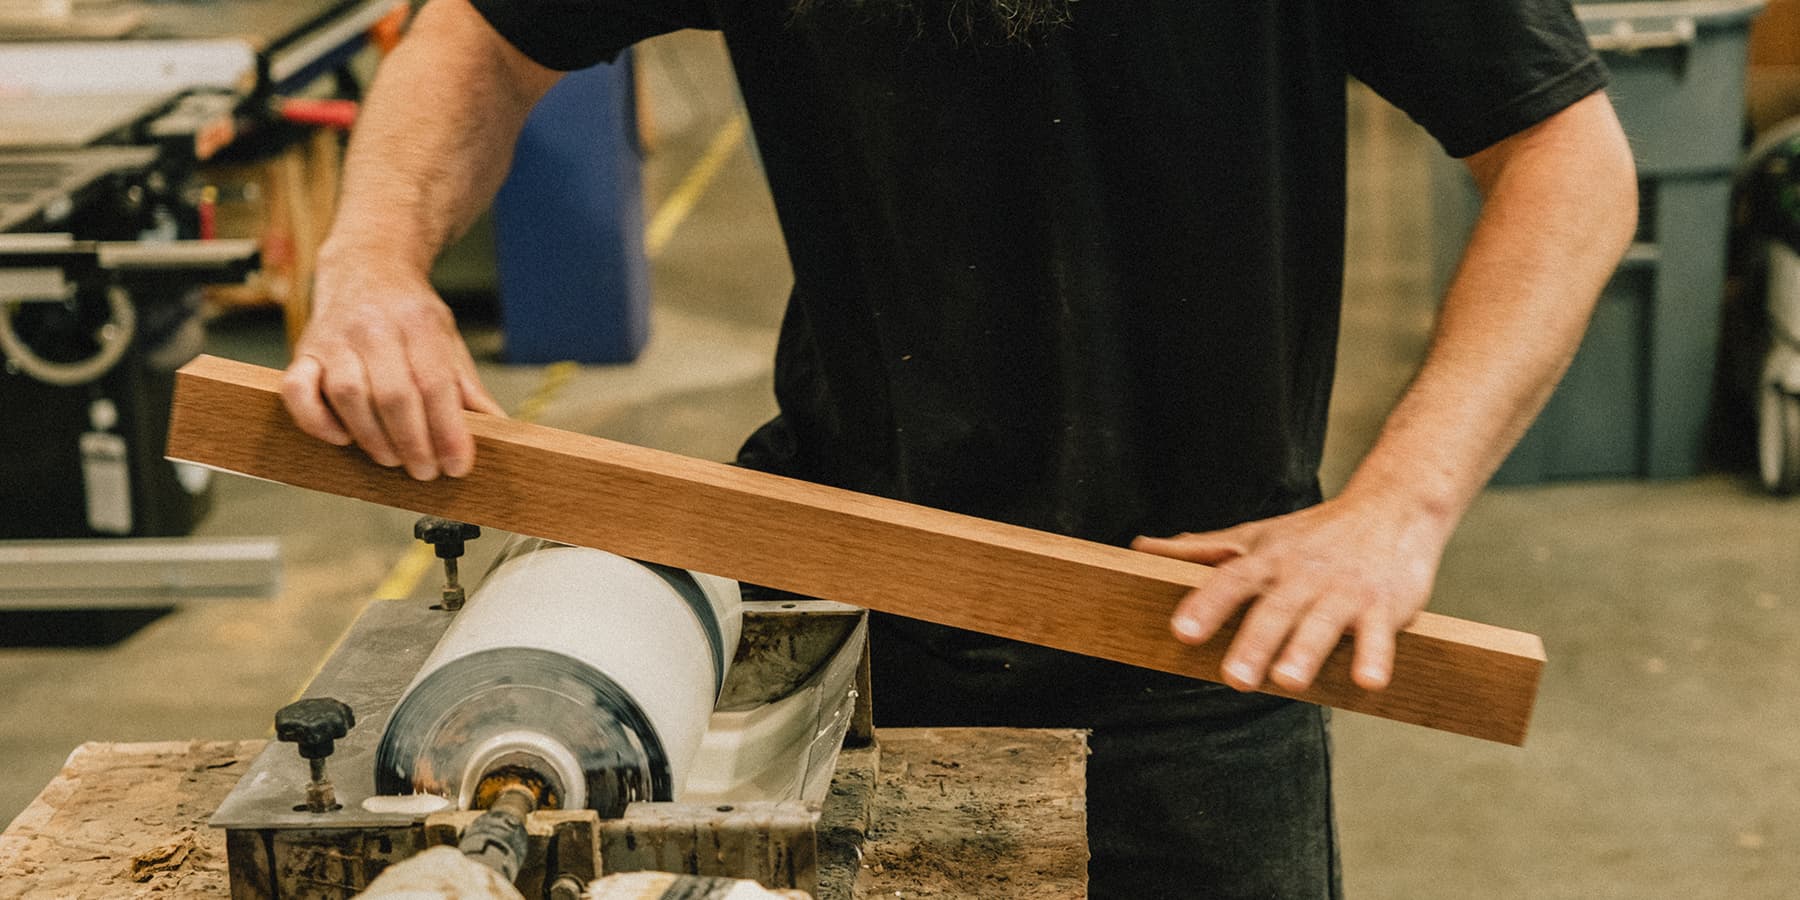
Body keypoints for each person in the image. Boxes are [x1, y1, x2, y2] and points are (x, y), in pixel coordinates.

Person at [279, 1, 1637, 895]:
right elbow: (489, 37)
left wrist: (1404, 501)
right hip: (833, 615)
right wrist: (374, 263)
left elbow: (1565, 156)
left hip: (1194, 636)